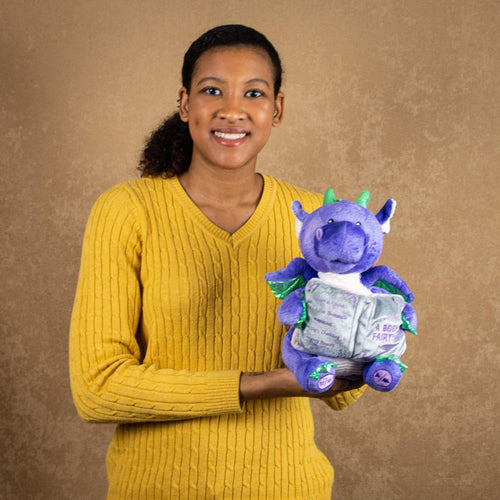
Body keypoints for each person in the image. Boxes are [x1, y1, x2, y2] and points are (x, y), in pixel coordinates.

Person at [69, 24, 366, 500]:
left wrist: (364, 330)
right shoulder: (127, 210)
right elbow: (98, 388)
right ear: (185, 103)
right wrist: (258, 385)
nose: (233, 110)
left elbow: (346, 389)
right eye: (213, 90)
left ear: (277, 109)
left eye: (254, 92)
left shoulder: (318, 222)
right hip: (155, 489)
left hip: (290, 488)